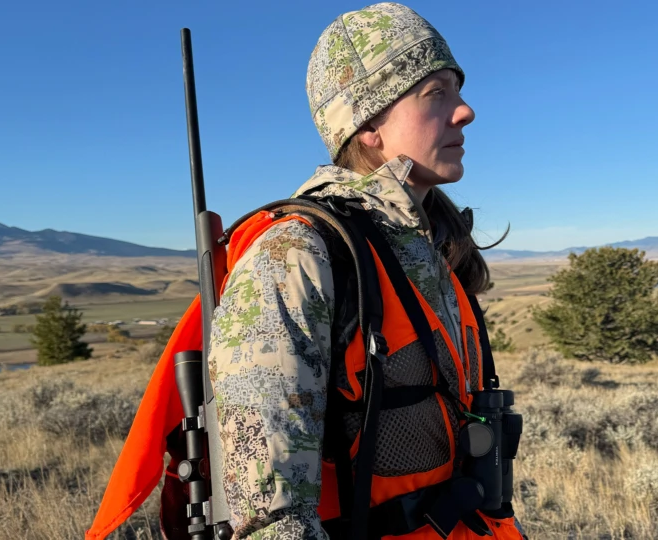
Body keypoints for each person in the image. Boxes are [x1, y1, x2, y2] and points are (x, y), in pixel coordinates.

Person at [207, 3, 526, 539]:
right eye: (436, 93)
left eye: (458, 89)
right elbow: (270, 517)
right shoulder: (296, 254)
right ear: (369, 125)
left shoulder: (427, 243)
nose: (465, 111)